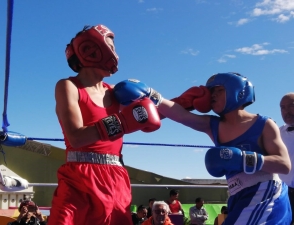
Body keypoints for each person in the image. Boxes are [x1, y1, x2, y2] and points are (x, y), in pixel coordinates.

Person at [113, 72, 292, 224]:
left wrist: (242, 158)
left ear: (238, 91)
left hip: (266, 191)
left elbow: (284, 164)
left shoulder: (263, 124)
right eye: (211, 91)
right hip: (238, 195)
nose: (212, 95)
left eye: (218, 90)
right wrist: (151, 94)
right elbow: (181, 115)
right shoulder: (213, 125)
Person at [48, 24, 161, 225]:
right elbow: (76, 137)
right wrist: (124, 122)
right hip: (78, 179)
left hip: (115, 179)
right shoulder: (68, 86)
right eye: (111, 46)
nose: (116, 53)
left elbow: (156, 111)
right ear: (91, 50)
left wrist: (192, 101)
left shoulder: (117, 92)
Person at [278, 92, 294, 225]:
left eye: (291, 106)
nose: (286, 111)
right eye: (282, 107)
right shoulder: (275, 134)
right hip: (283, 194)